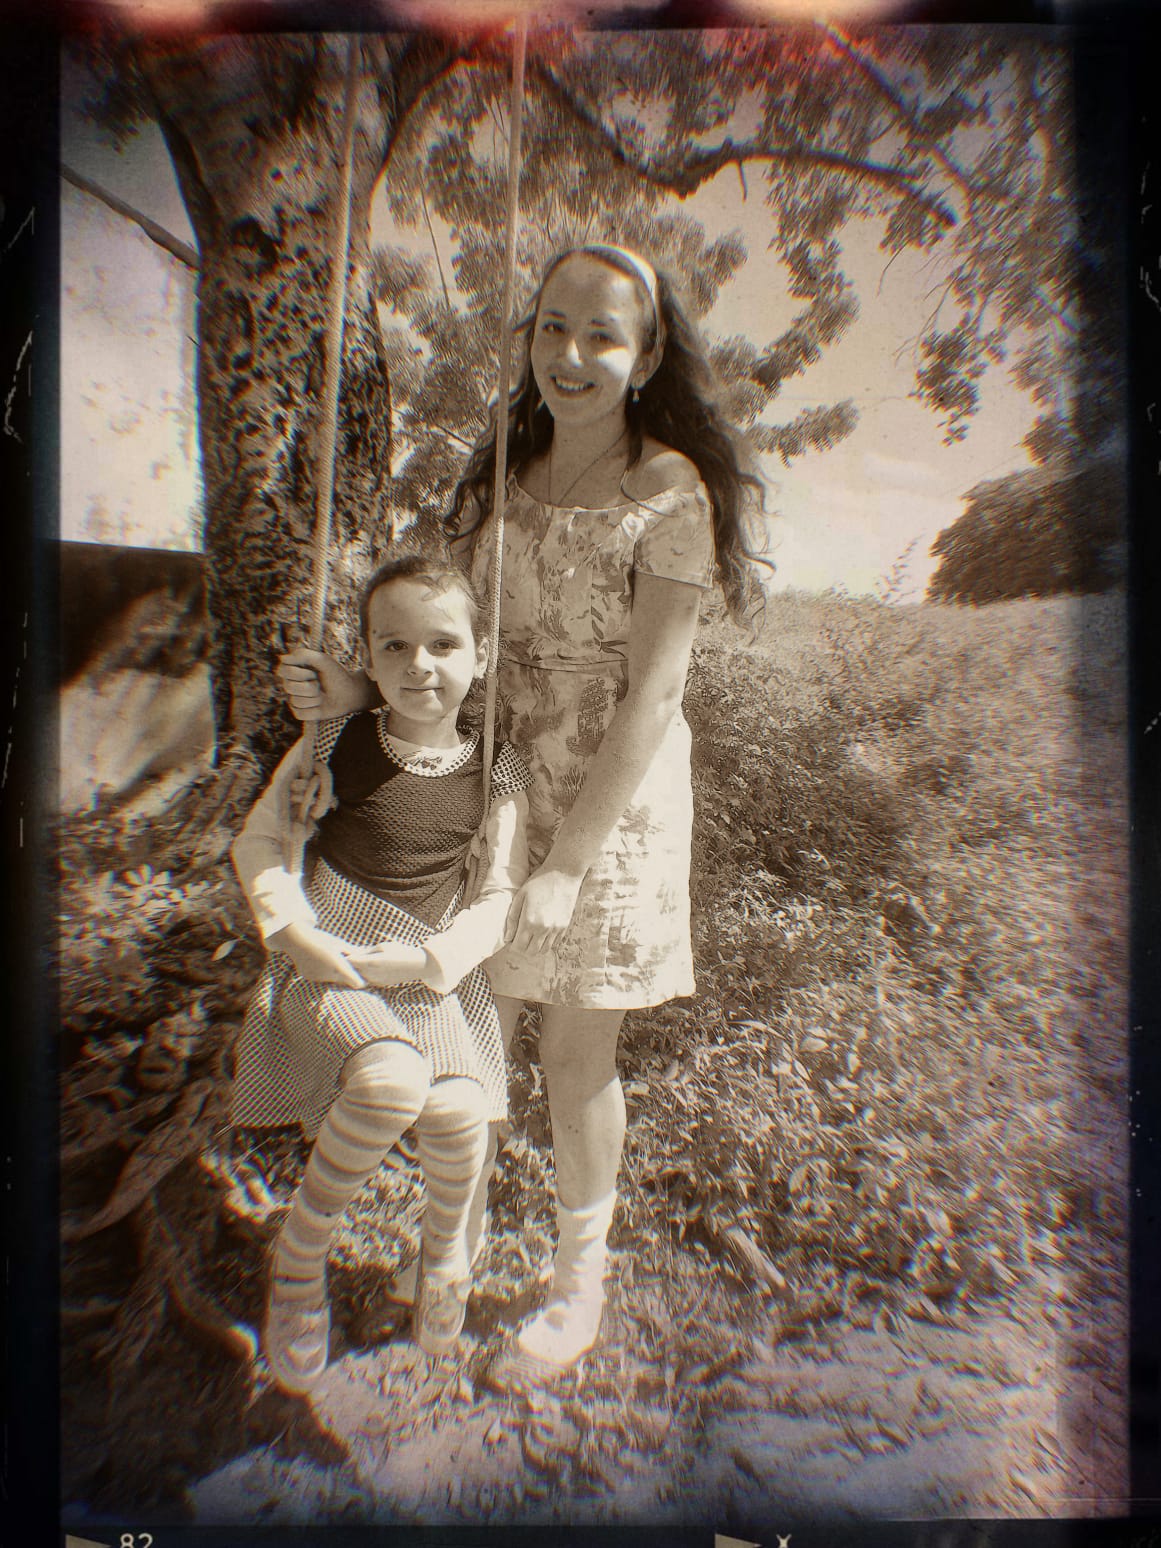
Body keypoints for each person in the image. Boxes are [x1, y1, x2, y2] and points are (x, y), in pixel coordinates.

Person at [281, 243, 766, 1374]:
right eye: (552, 326)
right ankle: (453, 1245)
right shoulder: (502, 469)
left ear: (648, 354)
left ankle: (575, 1285)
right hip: (490, 777)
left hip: (611, 802)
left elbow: (655, 693)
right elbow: (451, 643)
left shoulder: (670, 492)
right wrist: (354, 694)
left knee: (575, 1047)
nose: (571, 354)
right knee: (474, 1026)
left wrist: (566, 863)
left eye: (602, 334)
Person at [232, 554, 531, 1391]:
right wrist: (290, 931)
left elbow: (500, 892)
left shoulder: (495, 767)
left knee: (461, 1110)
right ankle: (299, 1262)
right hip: (332, 961)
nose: (418, 665)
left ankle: (443, 1259)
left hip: (423, 971)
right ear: (365, 656)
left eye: (443, 644)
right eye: (393, 646)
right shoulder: (333, 741)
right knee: (392, 1083)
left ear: (480, 655)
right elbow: (260, 840)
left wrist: (436, 960)